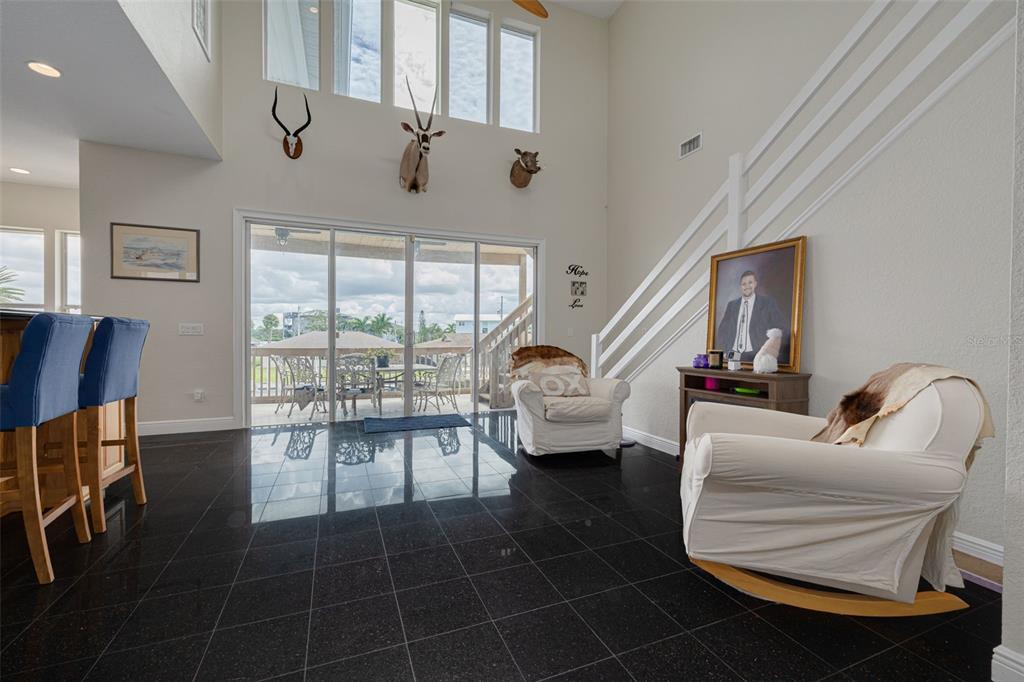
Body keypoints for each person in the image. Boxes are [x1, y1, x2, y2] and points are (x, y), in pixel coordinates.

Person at [716, 270, 787, 362]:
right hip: (732, 354)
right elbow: (723, 330)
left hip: (755, 355)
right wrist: (724, 351)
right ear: (740, 287)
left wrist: (767, 350)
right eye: (744, 284)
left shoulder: (767, 303)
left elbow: (780, 327)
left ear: (755, 284)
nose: (747, 286)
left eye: (750, 282)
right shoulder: (732, 305)